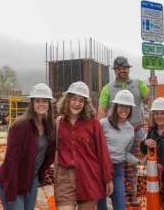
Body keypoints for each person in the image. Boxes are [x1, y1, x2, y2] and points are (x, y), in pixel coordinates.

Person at [98, 56, 154, 206]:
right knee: (113, 160)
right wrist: (100, 131)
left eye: (124, 68)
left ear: (128, 69)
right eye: (118, 68)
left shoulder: (138, 83)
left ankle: (131, 192)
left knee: (131, 164)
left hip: (134, 130)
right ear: (115, 70)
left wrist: (153, 86)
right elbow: (102, 109)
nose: (122, 71)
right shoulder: (107, 88)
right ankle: (113, 190)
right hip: (113, 129)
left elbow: (149, 99)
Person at [54, 81, 114, 210]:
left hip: (89, 176)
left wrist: (108, 178)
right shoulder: (59, 123)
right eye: (74, 99)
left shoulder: (93, 123)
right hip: (65, 178)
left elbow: (102, 151)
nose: (77, 103)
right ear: (67, 100)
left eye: (81, 100)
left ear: (86, 103)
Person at [0, 83, 56, 210]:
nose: (41, 104)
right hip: (13, 181)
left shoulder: (48, 126)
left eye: (45, 101)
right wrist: (10, 191)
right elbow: (11, 161)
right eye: (37, 100)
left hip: (31, 180)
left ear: (49, 104)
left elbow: (48, 155)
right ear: (32, 103)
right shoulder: (21, 126)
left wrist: (40, 175)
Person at [97, 90, 146, 210]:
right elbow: (95, 146)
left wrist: (138, 161)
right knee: (101, 206)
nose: (124, 109)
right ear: (115, 107)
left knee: (120, 205)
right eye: (121, 106)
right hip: (100, 168)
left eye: (127, 107)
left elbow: (124, 153)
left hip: (117, 169)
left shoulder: (130, 130)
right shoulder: (103, 123)